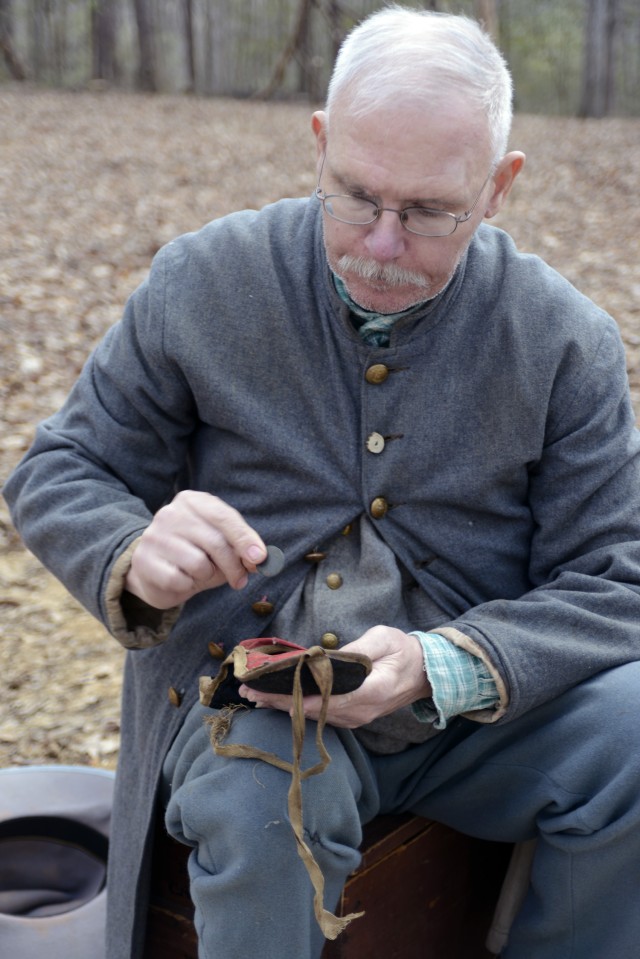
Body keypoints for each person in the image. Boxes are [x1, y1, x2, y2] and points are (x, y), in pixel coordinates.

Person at [5, 6, 640, 958]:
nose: (381, 245)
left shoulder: (564, 339)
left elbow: (616, 576)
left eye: (429, 212)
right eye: (354, 196)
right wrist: (133, 551)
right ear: (318, 143)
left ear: (500, 185)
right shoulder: (204, 280)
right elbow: (59, 469)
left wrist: (444, 662)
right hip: (250, 708)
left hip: (473, 720)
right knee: (265, 806)